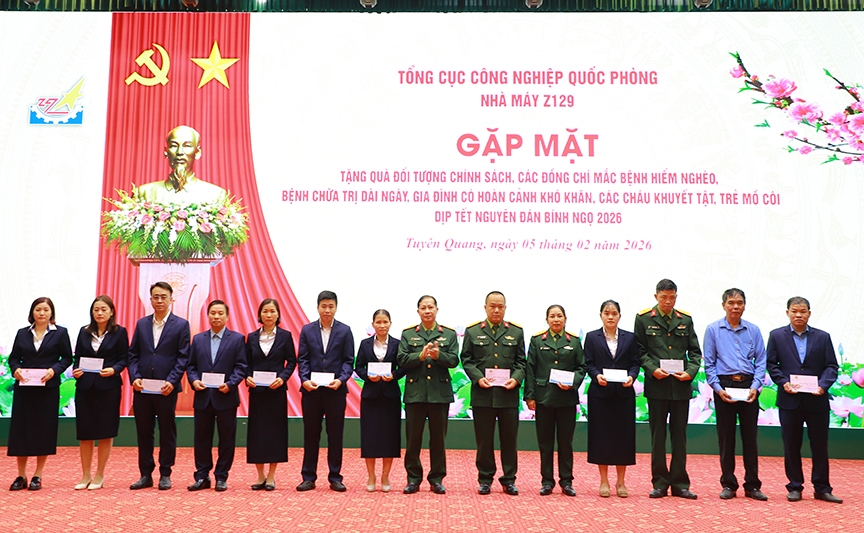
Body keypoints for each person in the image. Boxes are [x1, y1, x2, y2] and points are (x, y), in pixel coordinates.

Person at [766, 296, 841, 503]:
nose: (798, 315)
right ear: (787, 312)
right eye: (794, 311)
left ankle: (822, 488)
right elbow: (771, 364)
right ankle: (795, 486)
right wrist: (783, 382)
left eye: (803, 311)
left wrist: (823, 385)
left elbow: (831, 366)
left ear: (809, 313)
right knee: (791, 445)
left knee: (820, 446)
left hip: (817, 400)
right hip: (789, 400)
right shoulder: (776, 336)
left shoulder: (822, 337)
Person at [635, 279, 701, 500]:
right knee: (658, 437)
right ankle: (660, 483)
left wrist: (690, 373)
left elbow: (695, 352)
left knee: (679, 437)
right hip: (657, 386)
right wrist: (652, 369)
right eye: (663, 297)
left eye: (672, 297)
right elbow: (639, 350)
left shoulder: (685, 319)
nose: (668, 301)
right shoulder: (644, 319)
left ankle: (680, 484)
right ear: (656, 296)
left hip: (680, 386)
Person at [703, 288, 768, 501]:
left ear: (744, 305)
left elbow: (761, 360)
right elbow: (709, 363)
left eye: (739, 302)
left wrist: (756, 386)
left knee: (750, 438)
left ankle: (753, 485)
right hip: (725, 387)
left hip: (748, 387)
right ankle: (728, 484)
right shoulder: (713, 330)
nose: (735, 306)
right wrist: (718, 389)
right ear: (723, 305)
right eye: (731, 303)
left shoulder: (753, 330)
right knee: (726, 439)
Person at [461, 291, 526, 496]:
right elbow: (467, 359)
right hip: (483, 395)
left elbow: (521, 362)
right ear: (485, 307)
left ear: (505, 308)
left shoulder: (516, 332)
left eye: (500, 306)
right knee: (484, 440)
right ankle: (485, 479)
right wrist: (477, 377)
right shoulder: (473, 331)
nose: (496, 310)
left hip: (508, 395)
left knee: (509, 440)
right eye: (492, 306)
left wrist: (516, 378)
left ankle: (509, 480)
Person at [128, 281, 191, 491]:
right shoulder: (142, 324)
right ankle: (145, 474)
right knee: (144, 432)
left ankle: (165, 473)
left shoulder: (181, 325)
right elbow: (133, 354)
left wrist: (172, 381)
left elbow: (183, 357)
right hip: (143, 388)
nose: (159, 300)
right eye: (156, 296)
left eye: (163, 296)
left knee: (167, 431)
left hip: (166, 388)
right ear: (151, 299)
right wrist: (135, 377)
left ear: (171, 299)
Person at [7, 297, 73, 491]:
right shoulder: (22, 333)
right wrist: (16, 370)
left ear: (51, 313)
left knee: (44, 430)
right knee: (21, 430)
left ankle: (38, 475)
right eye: (38, 309)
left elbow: (67, 358)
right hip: (25, 389)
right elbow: (14, 359)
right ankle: (21, 475)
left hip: (47, 390)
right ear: (32, 313)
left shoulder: (60, 333)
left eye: (45, 309)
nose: (42, 313)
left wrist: (54, 370)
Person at [397, 295, 459, 495]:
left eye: (430, 307)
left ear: (436, 310)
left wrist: (438, 355)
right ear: (418, 311)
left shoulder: (448, 334)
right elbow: (401, 359)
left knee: (438, 440)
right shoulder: (408, 334)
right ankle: (413, 479)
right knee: (413, 440)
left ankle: (437, 479)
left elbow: (454, 360)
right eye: (423, 308)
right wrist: (420, 356)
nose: (427, 311)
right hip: (415, 394)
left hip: (439, 394)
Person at [296, 290, 355, 492]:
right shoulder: (307, 330)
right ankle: (308, 477)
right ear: (318, 307)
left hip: (335, 391)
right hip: (311, 392)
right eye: (324, 306)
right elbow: (302, 359)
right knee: (310, 434)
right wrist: (304, 380)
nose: (327, 310)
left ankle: (335, 477)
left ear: (336, 308)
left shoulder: (345, 331)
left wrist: (341, 380)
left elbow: (348, 361)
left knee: (335, 435)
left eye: (331, 306)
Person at [524, 304, 586, 497]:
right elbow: (530, 368)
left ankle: (566, 482)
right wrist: (530, 396)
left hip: (567, 399)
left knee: (565, 442)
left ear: (565, 319)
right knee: (545, 443)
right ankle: (547, 481)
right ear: (547, 320)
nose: (556, 319)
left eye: (559, 316)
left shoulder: (574, 341)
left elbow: (581, 368)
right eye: (552, 316)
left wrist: (573, 382)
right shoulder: (537, 340)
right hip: (544, 398)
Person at [186, 300, 247, 492]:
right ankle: (202, 475)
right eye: (213, 313)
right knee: (201, 439)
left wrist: (230, 384)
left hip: (226, 396)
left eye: (220, 313)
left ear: (227, 316)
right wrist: (194, 381)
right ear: (208, 316)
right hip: (203, 396)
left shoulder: (237, 339)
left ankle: (221, 476)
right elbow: (191, 366)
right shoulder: (198, 339)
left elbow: (241, 366)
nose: (216, 316)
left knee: (226, 439)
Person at [71, 295, 129, 490]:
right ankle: (85, 474)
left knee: (105, 431)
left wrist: (114, 370)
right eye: (96, 309)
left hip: (108, 387)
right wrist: (76, 370)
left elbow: (124, 358)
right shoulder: (84, 331)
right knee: (85, 432)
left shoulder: (120, 332)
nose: (99, 313)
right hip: (85, 387)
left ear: (111, 312)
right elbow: (78, 357)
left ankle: (100, 474)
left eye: (104, 309)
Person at [584, 299, 641, 498]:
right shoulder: (592, 337)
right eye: (606, 313)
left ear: (619, 316)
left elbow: (635, 363)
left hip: (623, 394)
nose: (610, 317)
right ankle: (604, 481)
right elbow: (588, 363)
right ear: (601, 315)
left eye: (614, 313)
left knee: (623, 438)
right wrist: (596, 375)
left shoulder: (630, 338)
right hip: (600, 394)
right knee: (601, 437)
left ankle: (621, 482)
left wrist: (632, 377)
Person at [245, 298, 296, 491]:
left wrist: (282, 378)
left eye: (272, 311)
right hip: (257, 392)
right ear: (260, 314)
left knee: (275, 433)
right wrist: (247, 377)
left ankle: (272, 476)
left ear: (278, 314)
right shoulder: (251, 337)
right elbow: (245, 363)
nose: (269, 315)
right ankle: (260, 475)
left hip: (276, 392)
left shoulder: (285, 336)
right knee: (257, 434)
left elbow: (292, 362)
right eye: (265, 311)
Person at [355, 309, 405, 492]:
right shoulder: (365, 344)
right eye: (378, 322)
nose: (382, 325)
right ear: (373, 324)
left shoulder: (398, 344)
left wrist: (394, 375)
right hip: (370, 396)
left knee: (389, 437)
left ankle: (385, 475)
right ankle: (371, 476)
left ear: (390, 323)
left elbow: (403, 367)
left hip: (390, 396)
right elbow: (358, 367)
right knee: (370, 437)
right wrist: (368, 376)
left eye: (385, 322)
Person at [136, 125, 229, 205]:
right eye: (174, 146)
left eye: (187, 146)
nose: (180, 152)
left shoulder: (216, 195)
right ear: (166, 152)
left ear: (197, 152)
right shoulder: (144, 193)